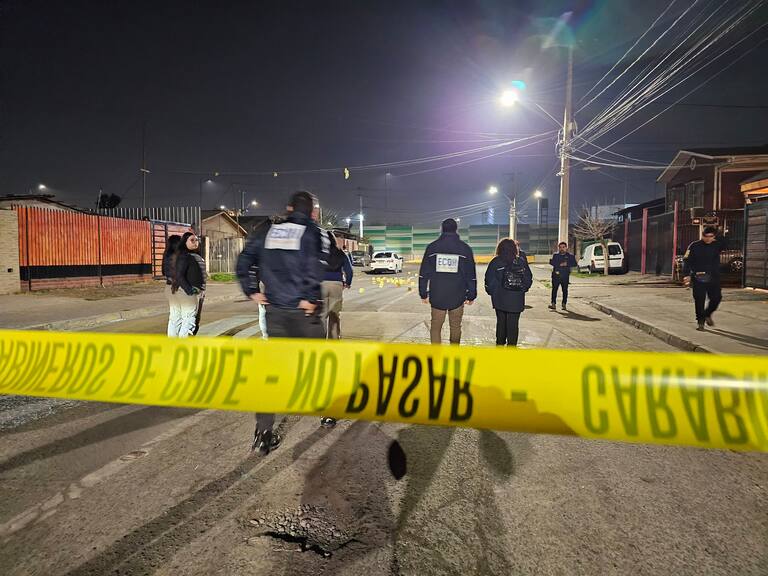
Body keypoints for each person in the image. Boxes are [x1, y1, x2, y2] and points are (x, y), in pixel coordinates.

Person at [236, 191, 326, 455]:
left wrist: (252, 289)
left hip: (275, 311)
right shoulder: (311, 231)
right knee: (322, 364)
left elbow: (244, 261)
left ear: (288, 208)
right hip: (303, 313)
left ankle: (263, 434)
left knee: (273, 373)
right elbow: (314, 266)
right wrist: (310, 297)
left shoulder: (268, 231)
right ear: (311, 212)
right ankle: (328, 412)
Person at [418, 218, 477, 344]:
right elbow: (471, 274)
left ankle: (435, 356)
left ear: (442, 229)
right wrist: (471, 295)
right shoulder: (465, 249)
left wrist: (423, 293)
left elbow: (424, 273)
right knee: (455, 327)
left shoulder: (432, 248)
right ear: (456, 229)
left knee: (435, 327)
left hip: (437, 295)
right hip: (458, 295)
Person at [485, 238, 533, 346]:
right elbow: (528, 279)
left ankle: (500, 346)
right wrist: (522, 290)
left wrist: (492, 292)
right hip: (516, 300)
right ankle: (511, 348)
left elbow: (489, 280)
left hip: (500, 299)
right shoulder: (520, 261)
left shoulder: (495, 262)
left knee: (501, 323)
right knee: (513, 325)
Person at [682, 226, 725, 331]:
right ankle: (700, 322)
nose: (708, 239)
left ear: (714, 237)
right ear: (702, 235)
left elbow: (726, 242)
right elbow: (686, 260)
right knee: (700, 299)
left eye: (711, 236)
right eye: (706, 236)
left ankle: (707, 314)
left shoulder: (717, 245)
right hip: (699, 276)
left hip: (713, 277)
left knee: (716, 298)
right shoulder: (694, 246)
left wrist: (719, 232)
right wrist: (686, 274)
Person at [320, 229, 353, 339]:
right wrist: (347, 283)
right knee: (334, 314)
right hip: (336, 284)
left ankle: (320, 339)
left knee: (321, 314)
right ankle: (334, 339)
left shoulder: (320, 253)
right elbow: (349, 270)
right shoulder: (341, 253)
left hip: (321, 284)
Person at [172, 232, 206, 338]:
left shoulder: (192, 255)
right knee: (189, 321)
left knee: (177, 321)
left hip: (188, 292)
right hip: (188, 293)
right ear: (184, 242)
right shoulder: (185, 256)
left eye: (196, 240)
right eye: (192, 240)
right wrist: (190, 291)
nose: (195, 242)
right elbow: (179, 275)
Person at [162, 234, 183, 337]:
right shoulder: (177, 256)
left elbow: (163, 271)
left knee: (174, 316)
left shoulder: (166, 254)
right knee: (181, 316)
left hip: (169, 286)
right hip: (177, 287)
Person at [548, 242, 578, 311]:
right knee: (554, 290)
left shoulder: (570, 256)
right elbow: (552, 262)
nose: (562, 249)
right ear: (558, 248)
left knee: (564, 290)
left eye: (563, 247)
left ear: (566, 248)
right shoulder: (556, 255)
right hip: (556, 276)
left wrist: (566, 264)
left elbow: (574, 264)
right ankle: (553, 303)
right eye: (560, 247)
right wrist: (559, 264)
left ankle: (564, 304)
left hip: (565, 276)